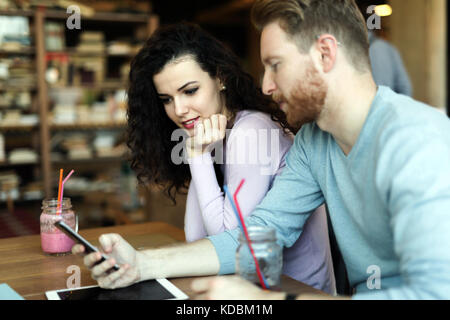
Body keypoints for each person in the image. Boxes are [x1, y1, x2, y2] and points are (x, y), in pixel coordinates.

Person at [74, 0, 450, 300]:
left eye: (275, 65)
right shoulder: (313, 144)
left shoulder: (418, 141)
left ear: (325, 54)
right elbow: (254, 235)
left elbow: (433, 293)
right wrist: (139, 263)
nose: (266, 85)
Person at [103, 23, 335, 293]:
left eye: (190, 91)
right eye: (166, 99)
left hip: (297, 292)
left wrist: (198, 156)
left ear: (220, 77)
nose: (179, 109)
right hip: (252, 288)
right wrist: (199, 152)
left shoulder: (251, 131)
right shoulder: (214, 133)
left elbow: (231, 246)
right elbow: (196, 238)